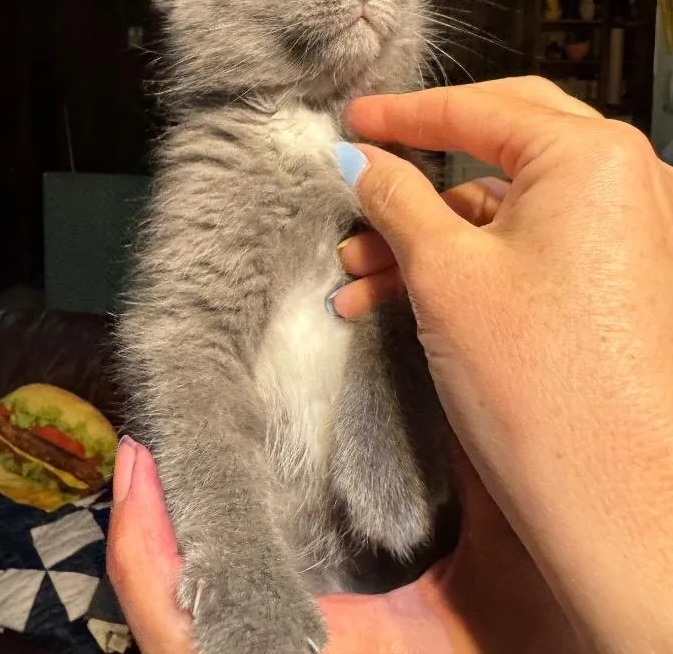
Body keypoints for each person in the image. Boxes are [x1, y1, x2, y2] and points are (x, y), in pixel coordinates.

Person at [107, 77, 673, 654]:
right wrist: (231, 547)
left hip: (419, 576)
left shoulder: (395, 166)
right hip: (315, 552)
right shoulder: (214, 157)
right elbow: (187, 347)